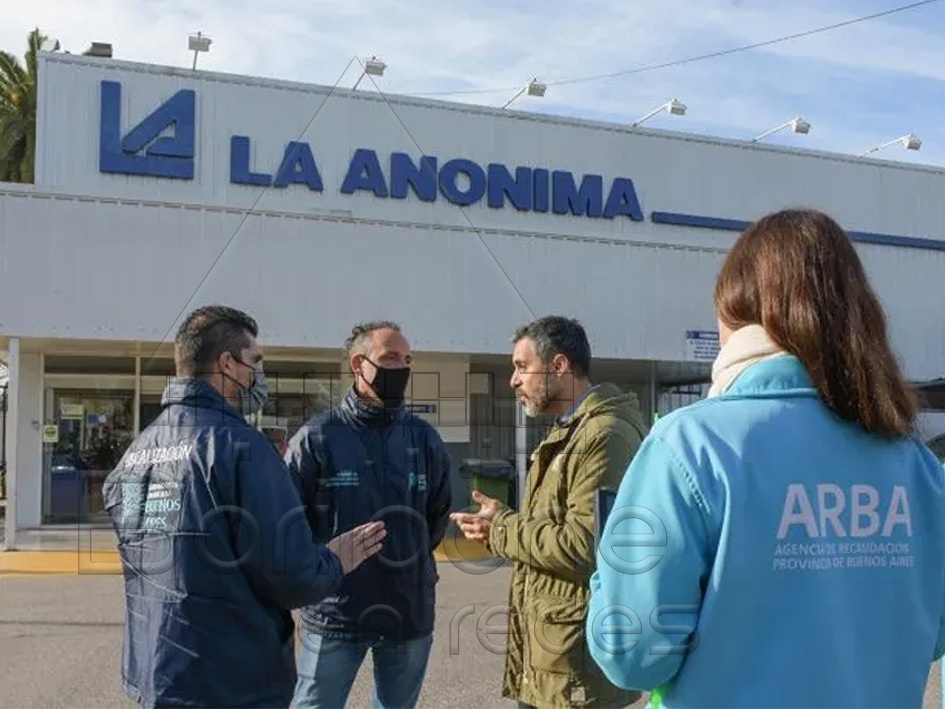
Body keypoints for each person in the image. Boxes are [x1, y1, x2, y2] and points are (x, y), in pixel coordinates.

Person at [587, 208, 945, 708]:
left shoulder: (689, 445)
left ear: (737, 311)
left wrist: (609, 573)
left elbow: (633, 654)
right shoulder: (917, 465)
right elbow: (933, 634)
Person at [102, 305, 387, 709]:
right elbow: (292, 576)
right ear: (227, 364)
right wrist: (335, 560)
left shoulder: (137, 453)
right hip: (230, 682)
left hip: (156, 674)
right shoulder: (240, 449)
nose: (259, 375)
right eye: (254, 361)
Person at [451, 315, 647, 709]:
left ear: (559, 366)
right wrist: (500, 524)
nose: (513, 380)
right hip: (553, 658)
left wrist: (502, 528)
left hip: (576, 667)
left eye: (522, 367)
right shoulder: (567, 430)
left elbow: (585, 545)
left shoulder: (604, 435)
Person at [286, 320, 453, 709]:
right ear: (358, 364)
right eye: (390, 358)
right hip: (335, 613)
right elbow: (292, 520)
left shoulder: (424, 438)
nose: (402, 368)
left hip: (408, 613)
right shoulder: (317, 437)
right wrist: (326, 564)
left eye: (407, 359)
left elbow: (436, 516)